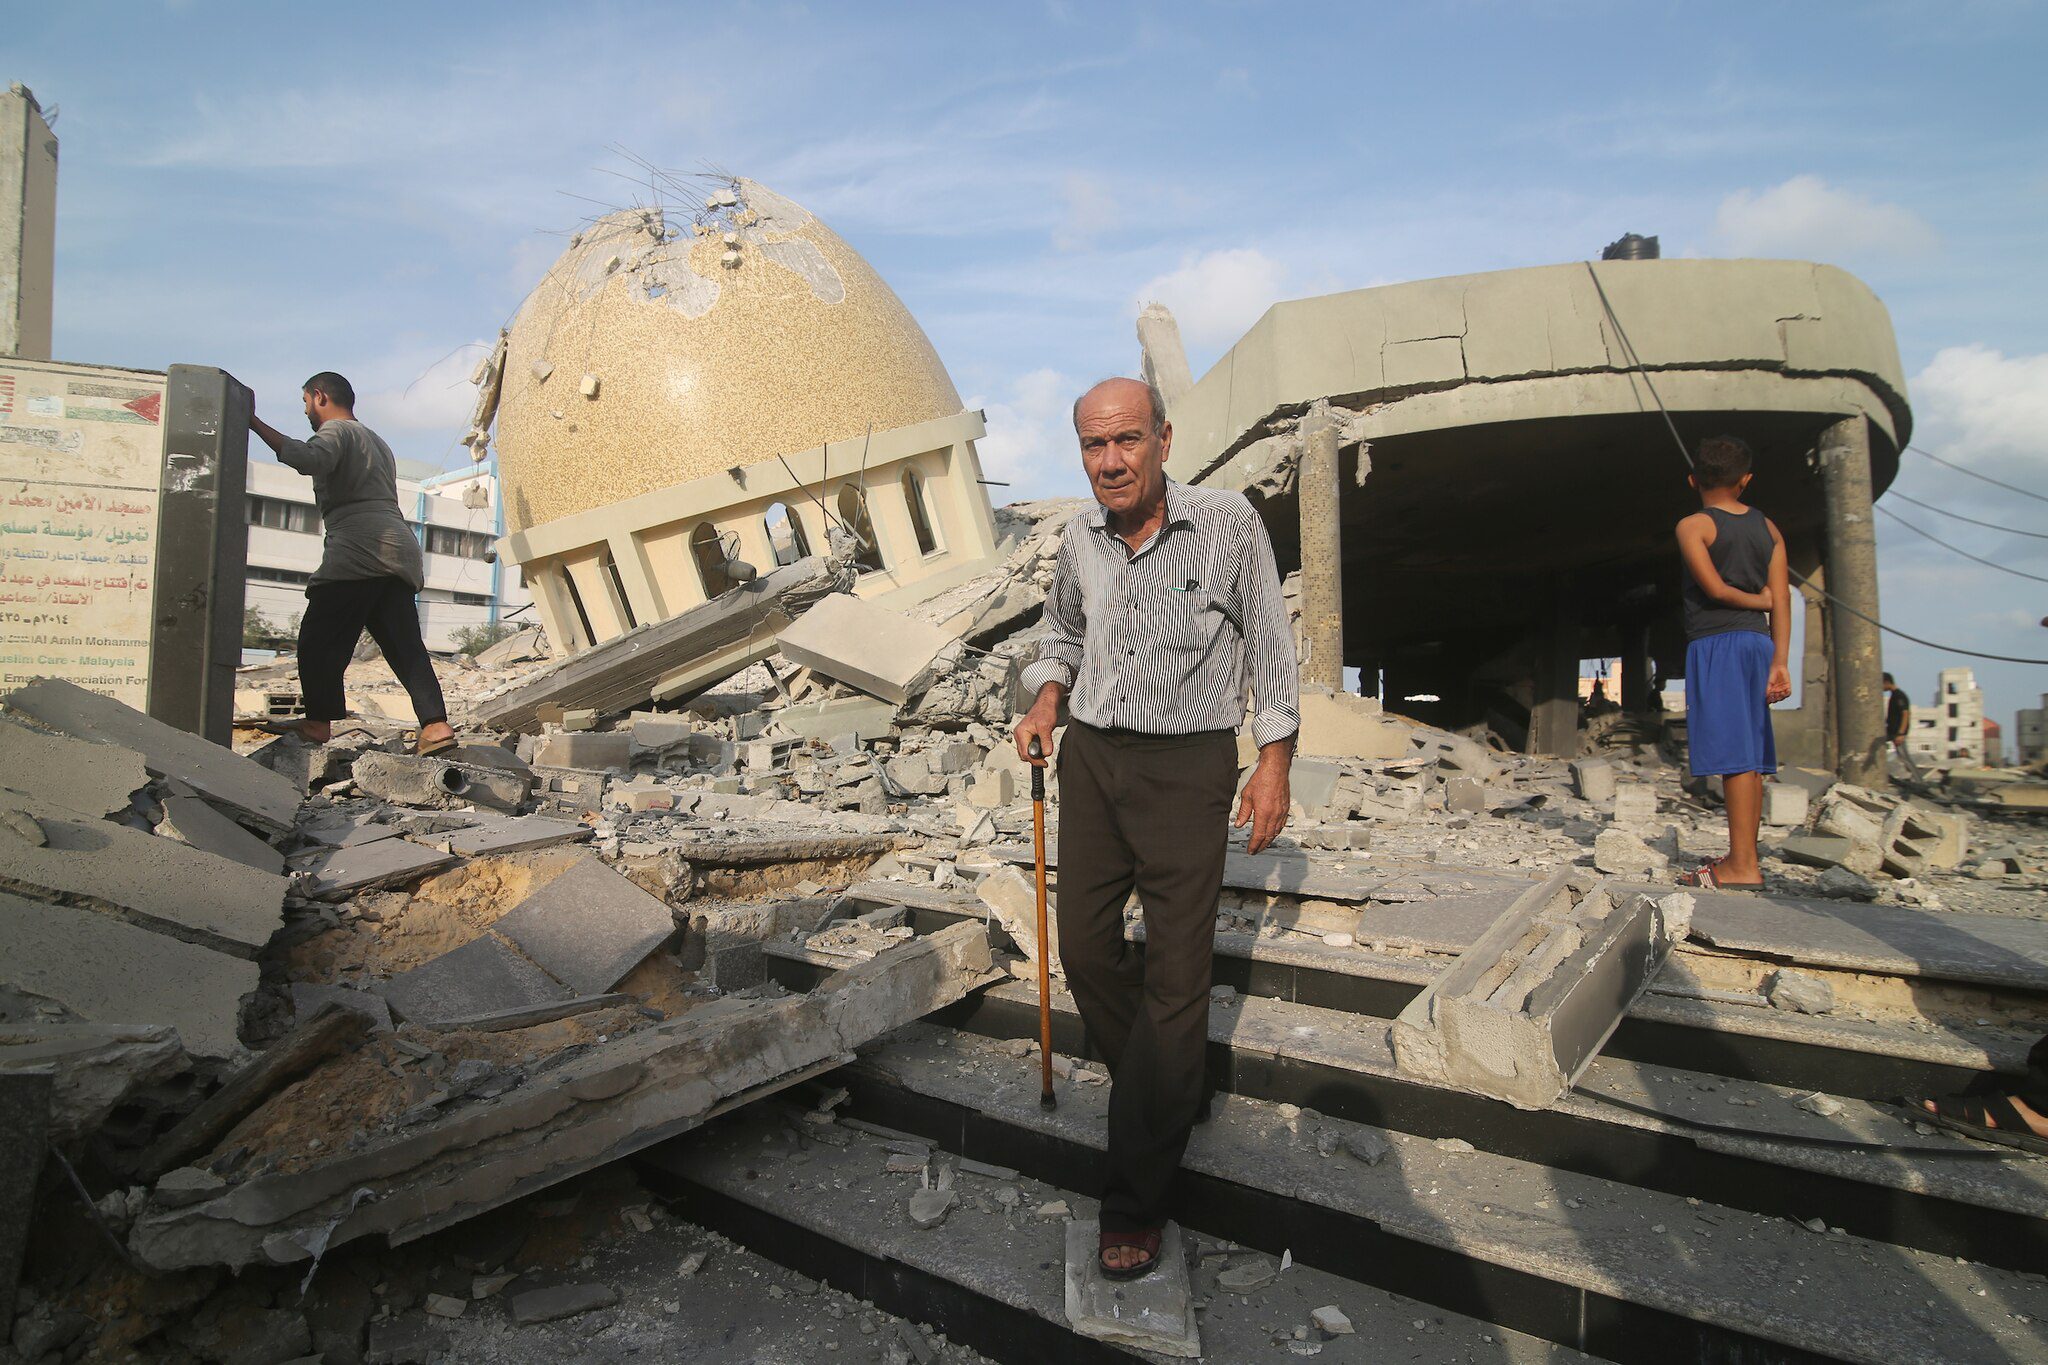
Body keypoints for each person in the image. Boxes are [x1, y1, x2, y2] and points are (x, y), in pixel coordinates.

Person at [1013, 377, 1298, 1281]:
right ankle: (1172, 1082)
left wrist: (1274, 759)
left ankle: (1134, 1198)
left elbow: (1270, 641)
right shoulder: (1078, 536)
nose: (1109, 462)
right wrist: (1047, 699)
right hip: (1093, 756)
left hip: (1189, 764)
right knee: (1088, 948)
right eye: (1094, 446)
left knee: (1178, 977)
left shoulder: (1227, 525)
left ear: (1164, 440)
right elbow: (1061, 629)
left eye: (1126, 441)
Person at [248, 373, 456, 756]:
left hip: (361, 543)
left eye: (306, 402)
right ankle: (435, 725)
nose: (307, 411)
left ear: (319, 396)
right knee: (403, 645)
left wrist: (254, 422)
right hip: (398, 546)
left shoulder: (337, 432)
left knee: (318, 637)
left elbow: (306, 458)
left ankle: (316, 723)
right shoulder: (377, 440)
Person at [1673, 435, 1790, 890]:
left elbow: (1715, 590)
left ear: (1692, 480)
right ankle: (1743, 857)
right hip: (1759, 643)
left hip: (1717, 642)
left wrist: (1755, 599)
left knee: (1735, 755)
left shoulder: (1693, 526)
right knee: (1749, 755)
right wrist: (1780, 659)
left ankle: (1742, 866)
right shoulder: (1769, 528)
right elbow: (1781, 598)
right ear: (1746, 481)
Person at [1884, 672, 1914, 768]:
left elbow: (1905, 714)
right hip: (1891, 731)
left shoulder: (1899, 695)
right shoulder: (1894, 695)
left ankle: (1917, 779)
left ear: (1886, 682)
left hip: (1897, 733)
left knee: (1905, 758)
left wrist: (1901, 733)